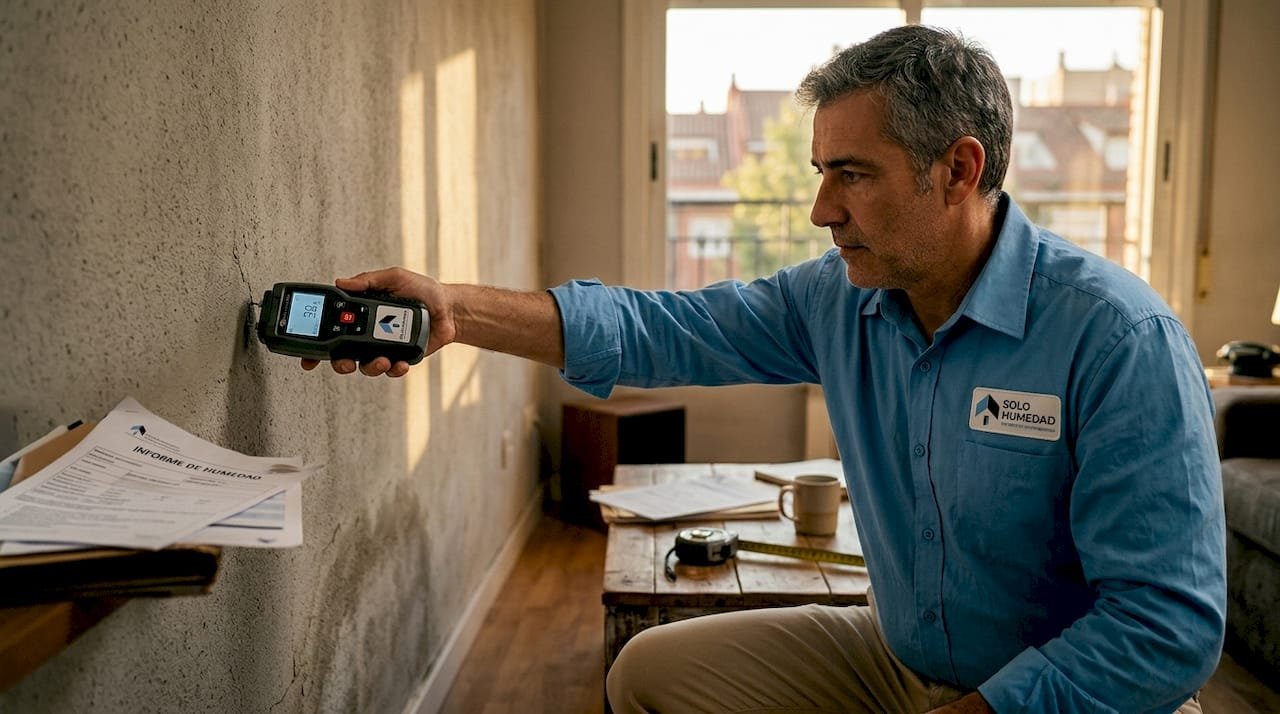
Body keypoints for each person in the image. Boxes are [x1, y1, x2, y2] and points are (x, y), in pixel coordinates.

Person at [305, 25, 1224, 714]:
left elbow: (1165, 628)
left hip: (1063, 695)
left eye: (852, 174)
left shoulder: (1116, 339)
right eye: (822, 171)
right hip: (900, 664)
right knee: (647, 676)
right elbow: (657, 327)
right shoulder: (838, 299)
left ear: (957, 169)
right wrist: (458, 315)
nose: (821, 208)